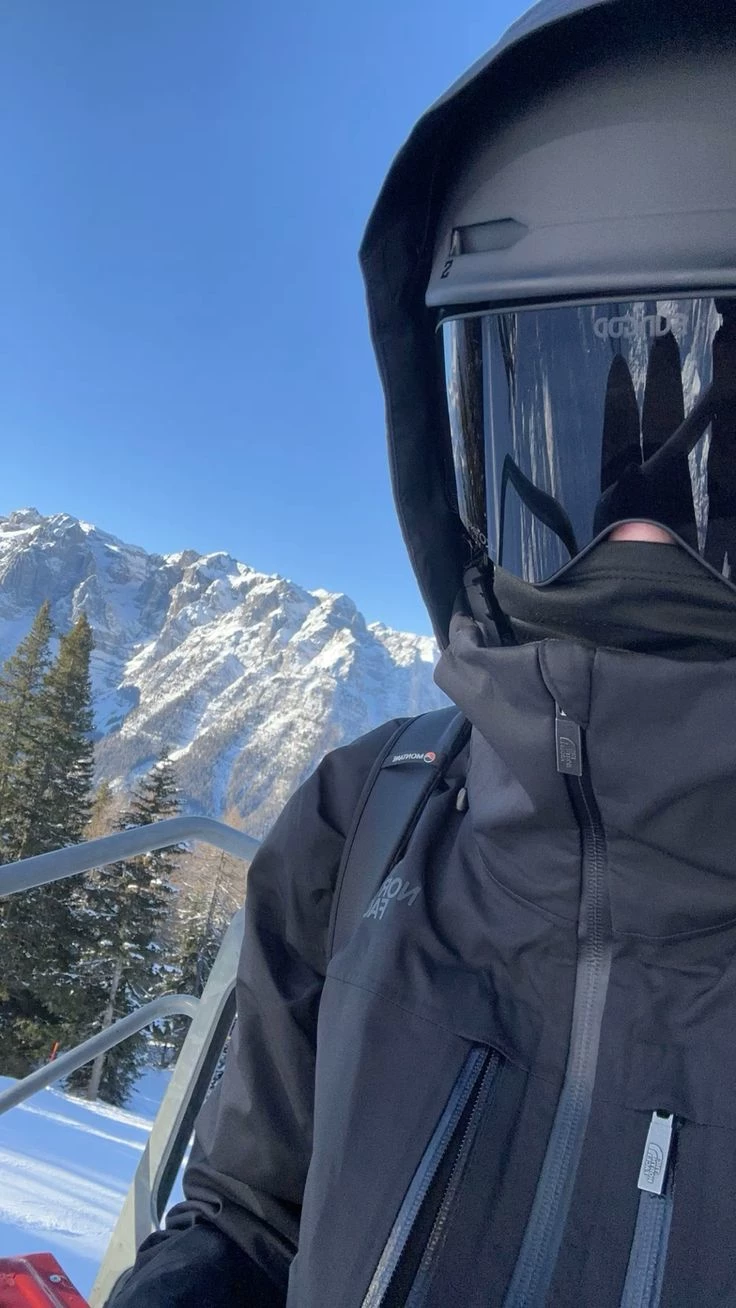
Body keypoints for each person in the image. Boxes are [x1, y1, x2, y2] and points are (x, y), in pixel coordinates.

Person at [110, 1, 736, 1304]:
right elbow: (249, 1218)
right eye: (566, 455)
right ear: (455, 457)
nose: (638, 538)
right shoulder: (364, 824)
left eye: (710, 474)